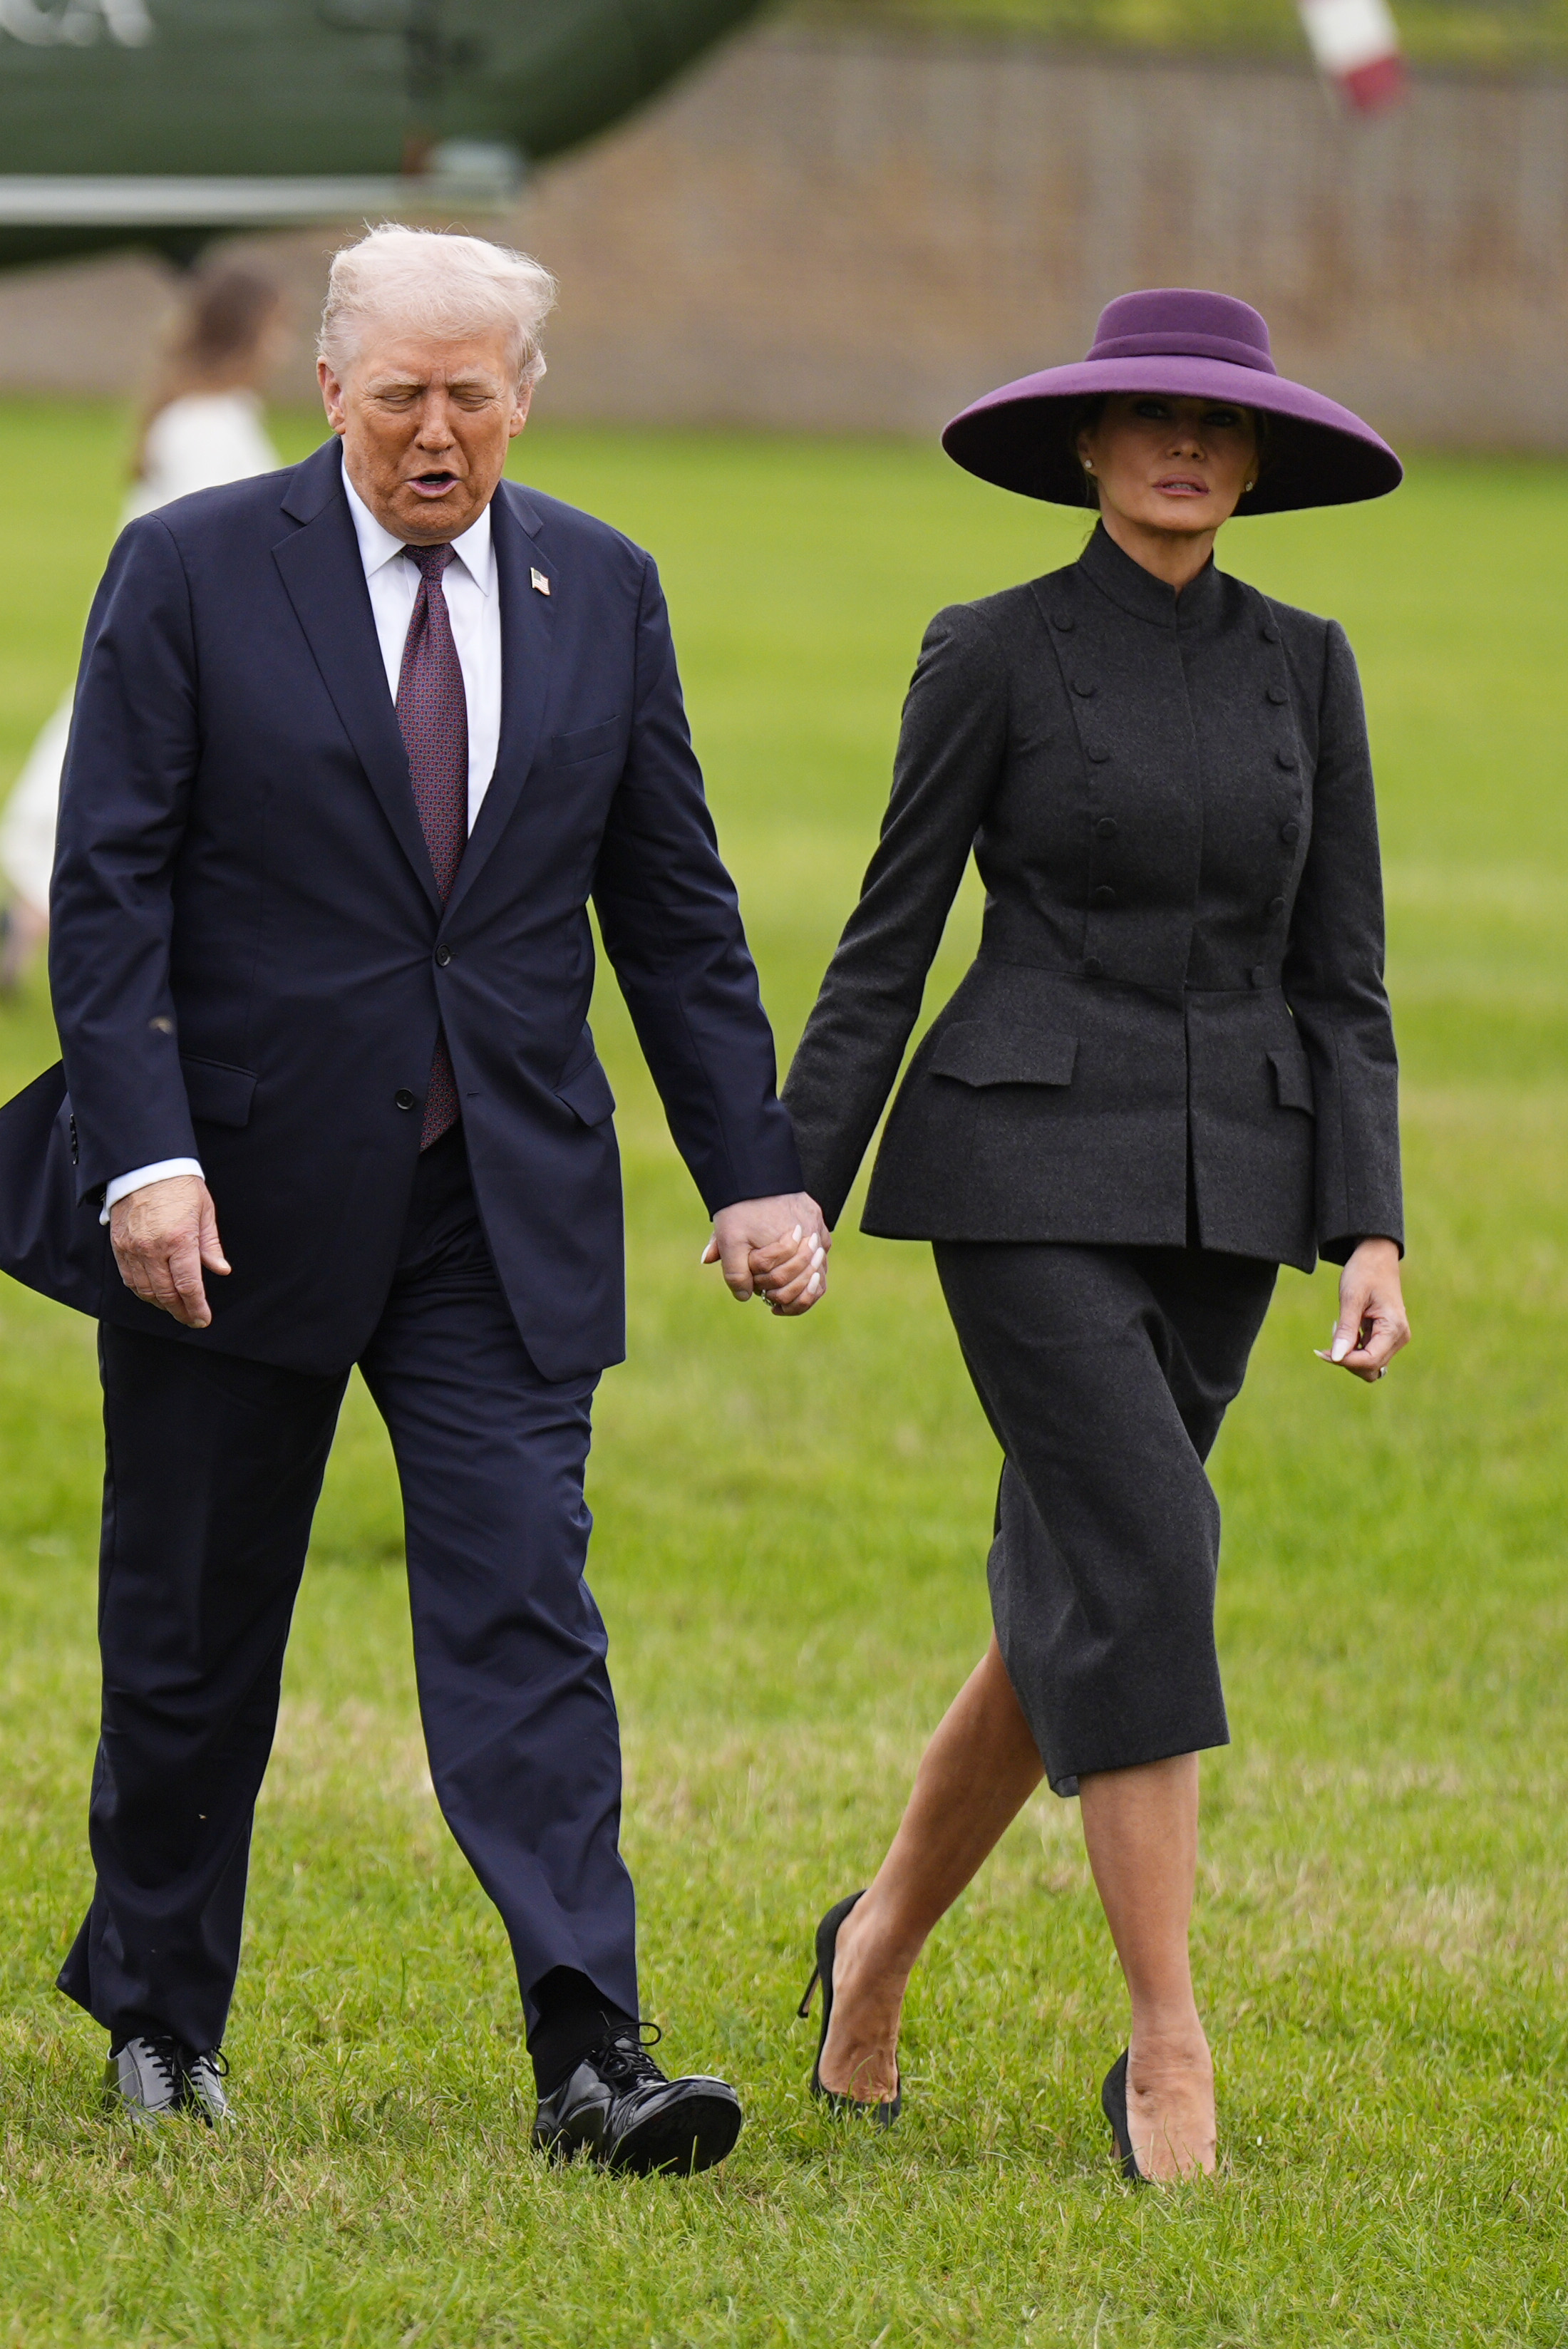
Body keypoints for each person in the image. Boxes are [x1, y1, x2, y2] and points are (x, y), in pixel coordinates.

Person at [0, 224, 828, 2170]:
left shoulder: (602, 589)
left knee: (528, 1610)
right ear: (331, 393)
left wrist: (754, 1175)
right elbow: (110, 893)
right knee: (196, 1630)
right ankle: (158, 2011)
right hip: (232, 1200)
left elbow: (677, 912)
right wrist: (147, 1152)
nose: (437, 432)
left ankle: (591, 2051)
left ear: (525, 394)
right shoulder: (197, 571)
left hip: (495, 1203)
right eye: (402, 397)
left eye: (474, 393)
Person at [781, 289, 1410, 2182]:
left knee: (1079, 1588)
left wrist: (1370, 1222)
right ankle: (1167, 2046)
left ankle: (874, 1940)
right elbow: (888, 938)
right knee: (1154, 1550)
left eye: (1222, 429)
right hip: (1026, 1167)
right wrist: (795, 1178)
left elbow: (1347, 978)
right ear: (1084, 442)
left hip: (1240, 1188)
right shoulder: (992, 652)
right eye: (1151, 419)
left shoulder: (1311, 666)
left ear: (1258, 463)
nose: (1186, 450)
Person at [0, 264, 287, 986]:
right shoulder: (204, 425)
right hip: (177, 639)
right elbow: (207, 541)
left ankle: (31, 940)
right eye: (278, 327)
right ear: (248, 332)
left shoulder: (216, 416)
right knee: (111, 790)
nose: (284, 344)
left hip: (177, 635)